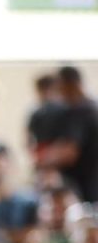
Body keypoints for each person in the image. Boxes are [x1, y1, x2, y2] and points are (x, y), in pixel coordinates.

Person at [40, 67, 98, 203]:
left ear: (69, 85)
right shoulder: (92, 107)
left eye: (60, 86)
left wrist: (45, 160)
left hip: (85, 188)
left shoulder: (81, 110)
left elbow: (70, 152)